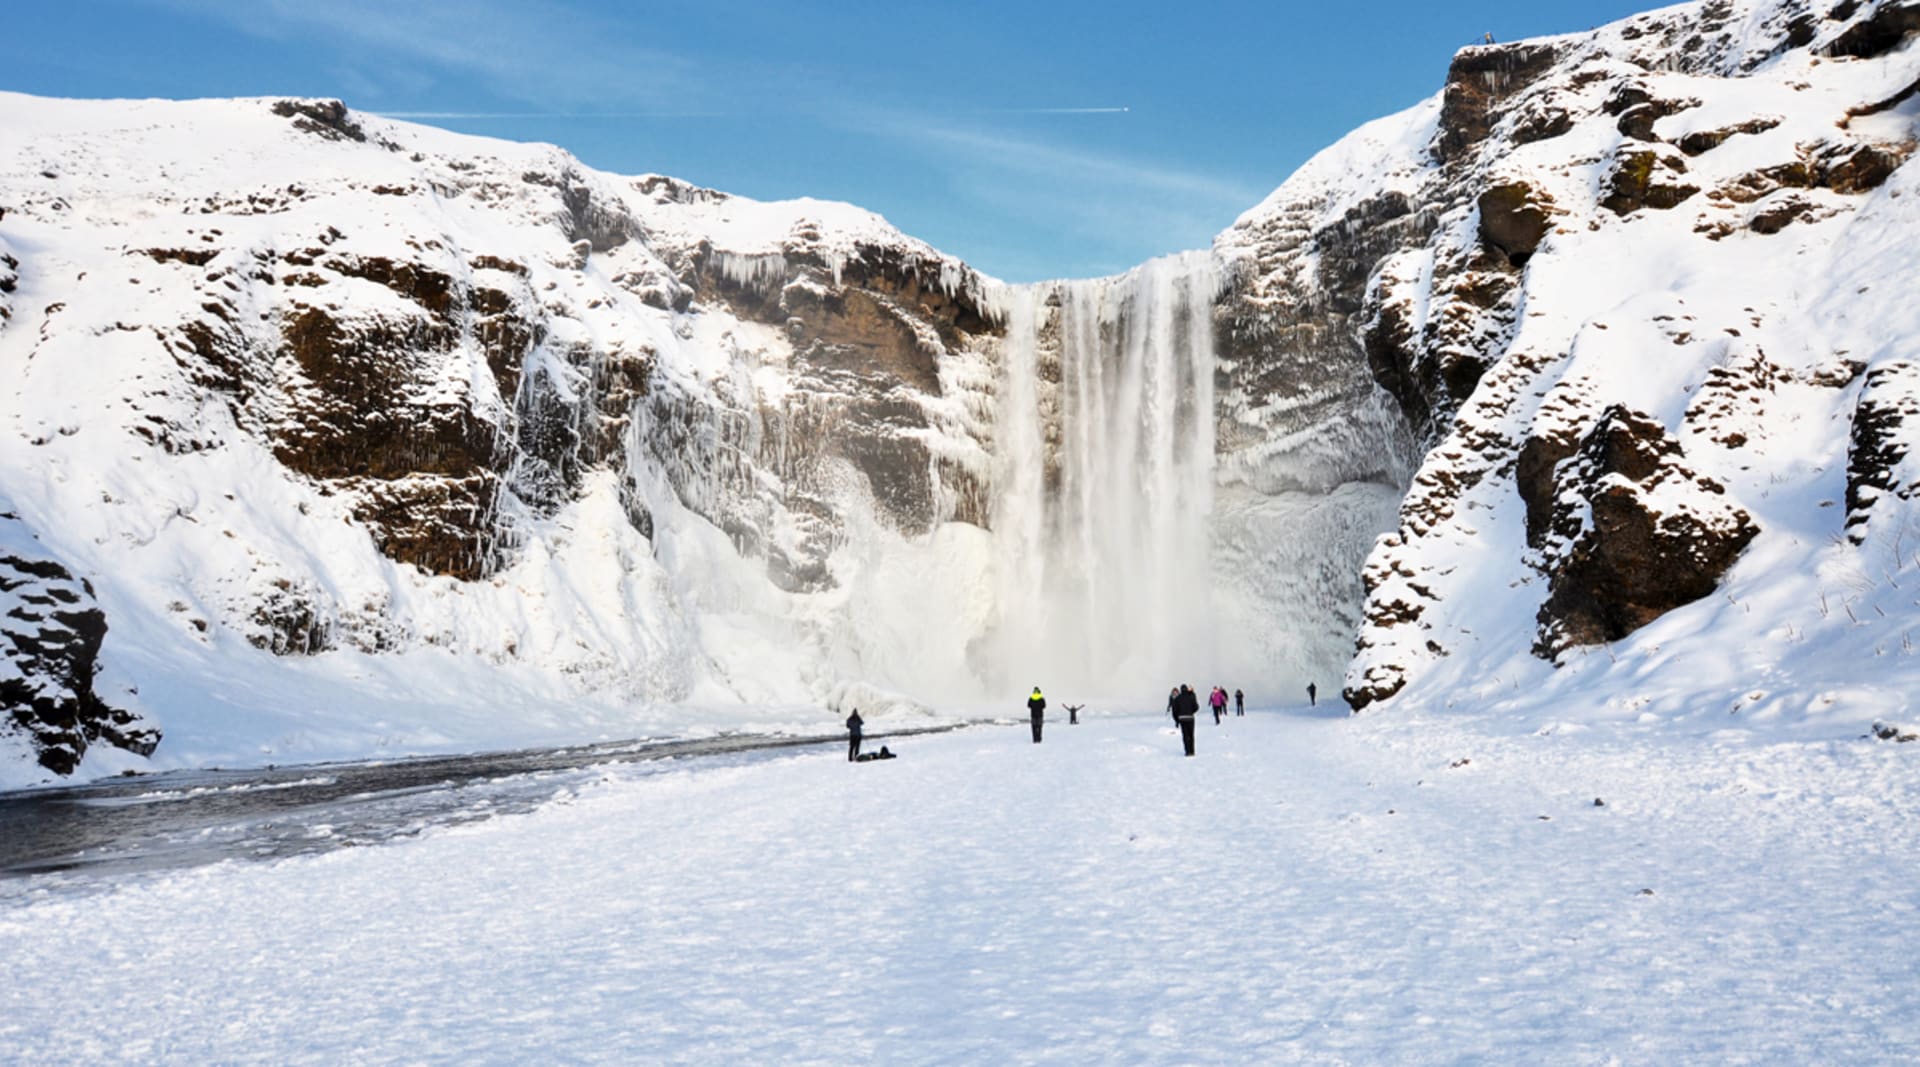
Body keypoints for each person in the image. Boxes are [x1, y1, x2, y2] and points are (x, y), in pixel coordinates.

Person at [1173, 684, 1199, 757]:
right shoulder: (1191, 697)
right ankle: (1192, 751)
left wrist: (1177, 720)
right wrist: (1190, 712)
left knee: (1185, 735)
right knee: (1191, 735)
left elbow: (1174, 711)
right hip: (1190, 718)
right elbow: (1196, 707)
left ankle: (1187, 752)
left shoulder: (1177, 698)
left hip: (1182, 719)